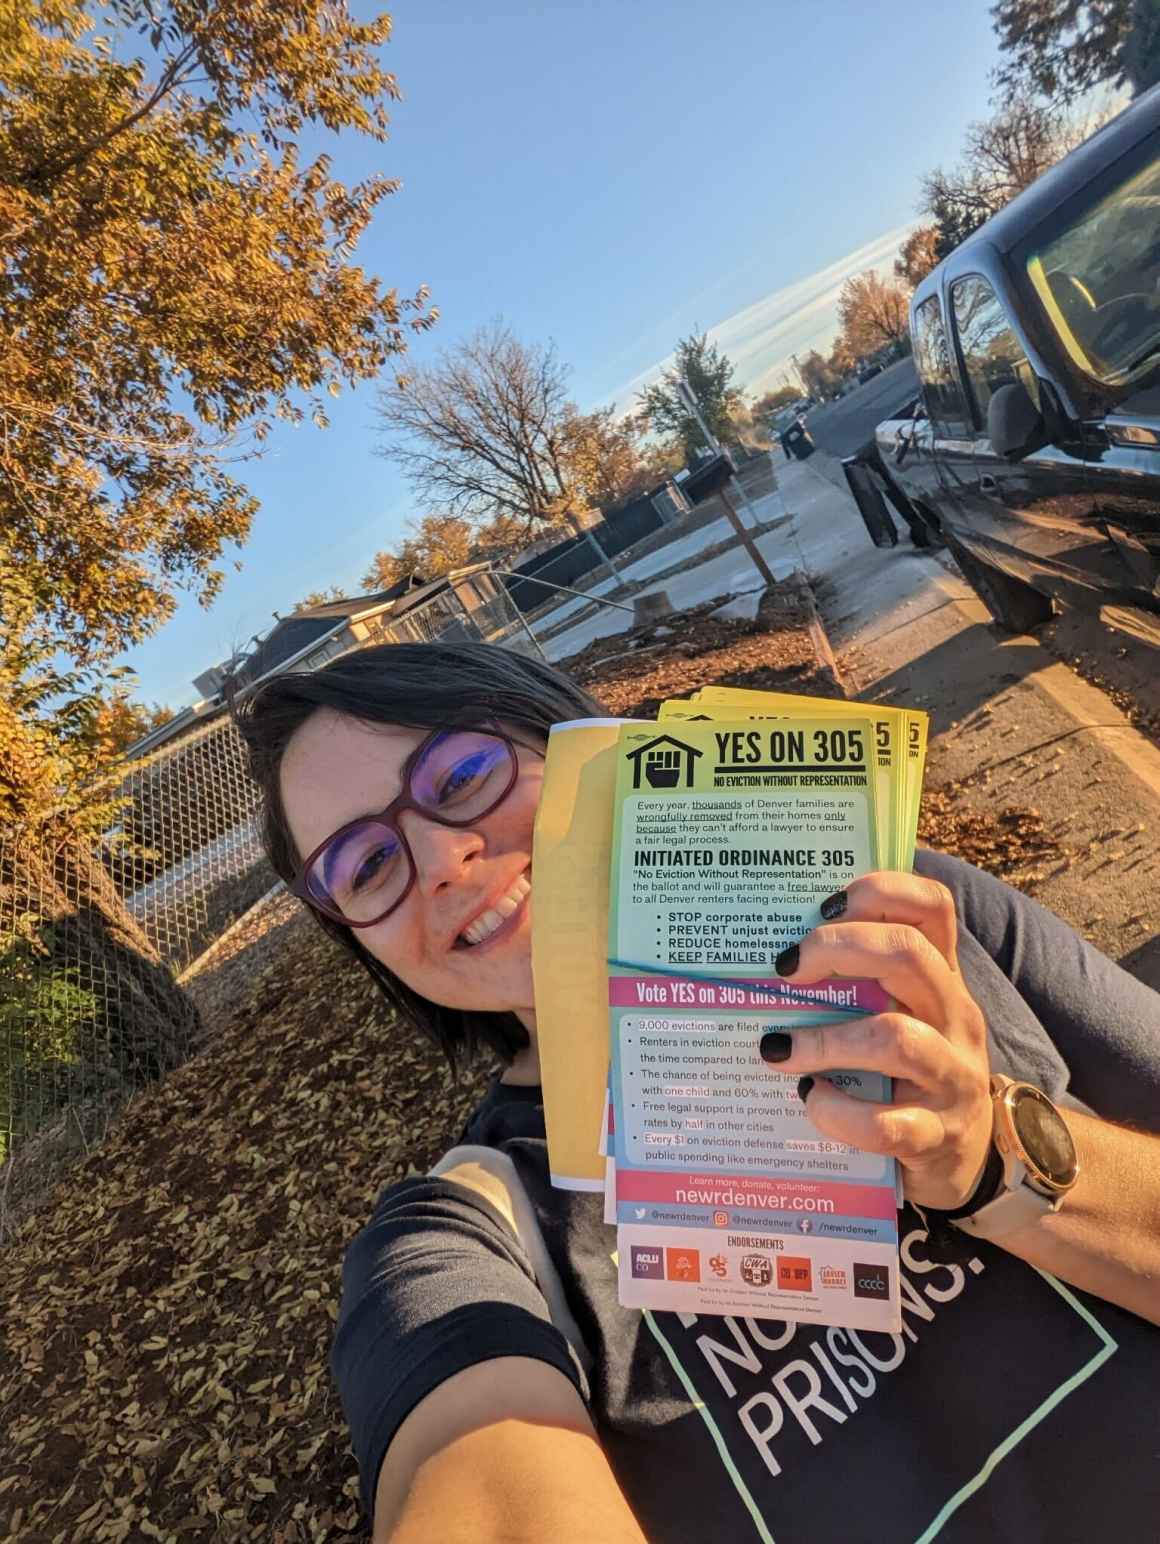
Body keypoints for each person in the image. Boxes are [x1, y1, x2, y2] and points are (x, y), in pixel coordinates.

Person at [234, 641, 1160, 1544]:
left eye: (462, 771)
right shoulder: (467, 1238)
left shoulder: (895, 922)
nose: (437, 858)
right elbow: (477, 1476)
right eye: (363, 868)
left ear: (568, 738)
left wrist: (996, 1163)